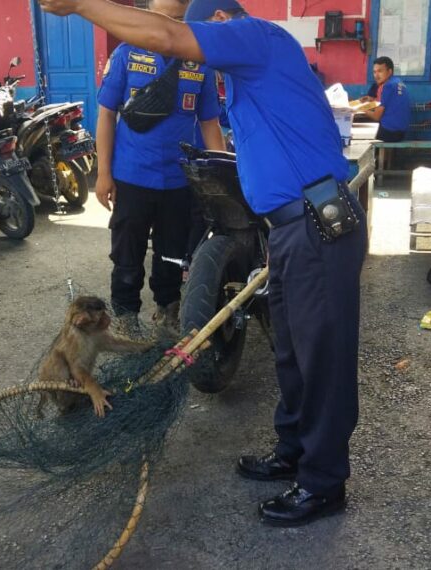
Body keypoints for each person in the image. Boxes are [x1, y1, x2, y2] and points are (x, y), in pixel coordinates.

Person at [40, 0, 368, 527]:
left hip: (317, 227)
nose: (194, 48)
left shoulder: (254, 36)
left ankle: (323, 482)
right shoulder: (242, 76)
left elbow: (167, 38)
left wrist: (81, 4)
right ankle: (294, 452)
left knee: (322, 360)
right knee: (292, 353)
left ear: (218, 23)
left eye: (197, 34)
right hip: (290, 230)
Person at [95, 0, 225, 333]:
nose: (171, 30)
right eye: (164, 21)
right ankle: (125, 314)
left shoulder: (201, 63)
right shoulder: (126, 54)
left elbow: (210, 123)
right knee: (127, 251)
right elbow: (107, 115)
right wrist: (104, 173)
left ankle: (167, 309)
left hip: (180, 179)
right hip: (132, 176)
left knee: (173, 253)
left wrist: (222, 177)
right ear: (149, 16)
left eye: (180, 21)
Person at [358, 56, 411, 142]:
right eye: (374, 72)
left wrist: (360, 109)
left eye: (380, 71)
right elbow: (388, 103)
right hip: (401, 133)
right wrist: (371, 100)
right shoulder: (398, 82)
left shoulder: (387, 86)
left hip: (389, 133)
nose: (376, 75)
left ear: (389, 72)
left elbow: (376, 117)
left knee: (356, 130)